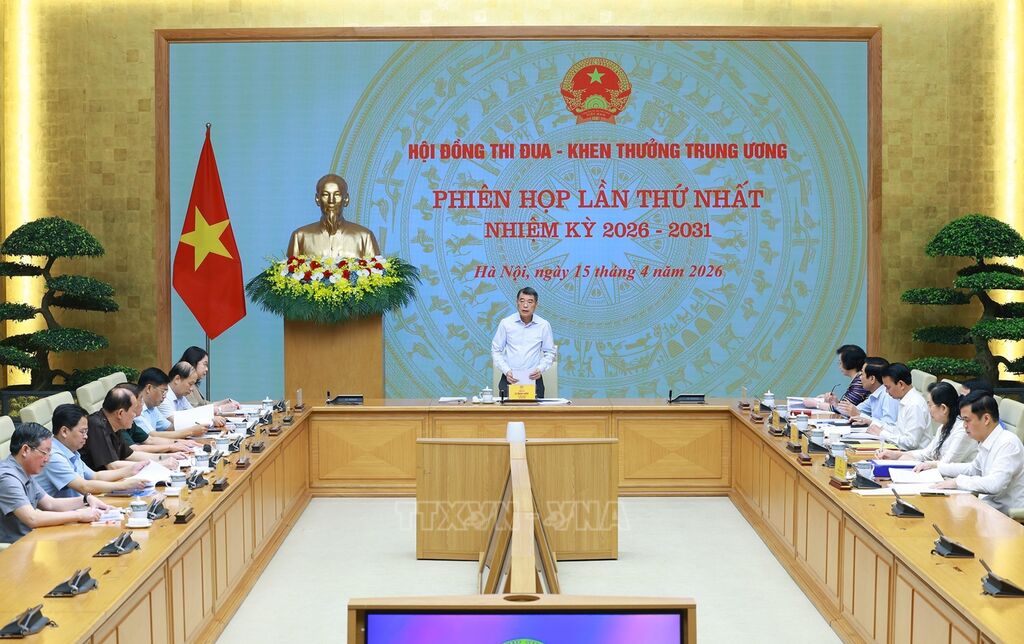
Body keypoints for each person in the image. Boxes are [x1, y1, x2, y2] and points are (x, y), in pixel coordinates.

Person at [916, 393, 1024, 515]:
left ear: (986, 419)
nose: (964, 426)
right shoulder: (987, 440)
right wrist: (937, 467)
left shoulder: (1008, 443)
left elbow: (995, 484)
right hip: (987, 509)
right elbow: (973, 469)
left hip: (1007, 517)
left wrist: (957, 482)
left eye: (967, 420)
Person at [0, 423, 106, 543]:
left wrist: (86, 499)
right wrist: (79, 515)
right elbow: (32, 518)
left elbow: (50, 504)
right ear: (25, 450)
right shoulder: (7, 477)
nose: (47, 460)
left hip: (33, 539)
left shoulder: (23, 471)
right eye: (44, 453)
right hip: (14, 548)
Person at [37, 403, 149, 498]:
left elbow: (95, 476)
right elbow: (84, 487)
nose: (86, 436)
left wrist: (131, 470)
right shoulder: (53, 456)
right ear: (64, 431)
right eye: (82, 432)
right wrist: (124, 485)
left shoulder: (71, 450)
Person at [80, 386, 180, 472]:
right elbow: (113, 466)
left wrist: (167, 457)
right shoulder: (96, 425)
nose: (135, 415)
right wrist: (159, 464)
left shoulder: (115, 424)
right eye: (133, 410)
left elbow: (130, 455)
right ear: (120, 413)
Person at [875, 381, 976, 464]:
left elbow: (946, 464)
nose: (928, 409)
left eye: (930, 405)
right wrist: (896, 455)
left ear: (943, 408)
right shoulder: (944, 426)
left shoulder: (962, 430)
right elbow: (927, 453)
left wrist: (914, 461)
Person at [286, 174, 380, 258]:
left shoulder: (365, 237)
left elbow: (376, 271)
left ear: (346, 199)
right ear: (317, 199)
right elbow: (290, 270)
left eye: (337, 195)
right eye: (325, 195)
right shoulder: (300, 237)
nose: (331, 201)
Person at [491, 286, 556, 398]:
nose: (525, 305)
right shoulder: (506, 323)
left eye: (530, 302)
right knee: (507, 409)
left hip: (533, 379)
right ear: (517, 302)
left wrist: (540, 369)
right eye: (522, 301)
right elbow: (496, 350)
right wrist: (506, 371)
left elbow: (550, 352)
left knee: (535, 410)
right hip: (509, 379)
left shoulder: (543, 325)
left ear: (536, 304)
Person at [864, 363, 931, 450]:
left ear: (901, 384)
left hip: (912, 455)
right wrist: (873, 424)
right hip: (902, 451)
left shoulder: (915, 404)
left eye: (888, 387)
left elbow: (911, 443)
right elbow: (897, 431)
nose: (886, 392)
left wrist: (882, 433)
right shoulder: (905, 399)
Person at [138, 368, 209, 439]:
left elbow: (169, 428)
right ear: (149, 388)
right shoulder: (137, 408)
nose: (165, 396)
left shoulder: (153, 408)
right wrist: (191, 431)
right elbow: (151, 436)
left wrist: (198, 425)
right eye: (163, 391)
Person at [158, 362, 225, 428]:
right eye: (190, 384)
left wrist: (211, 417)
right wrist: (211, 420)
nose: (192, 389)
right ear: (177, 379)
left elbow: (194, 413)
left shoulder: (181, 396)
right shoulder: (163, 397)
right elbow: (178, 422)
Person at [803, 344, 868, 410]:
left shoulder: (860, 382)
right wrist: (834, 401)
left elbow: (843, 410)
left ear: (849, 363)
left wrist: (816, 404)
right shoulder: (858, 379)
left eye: (840, 362)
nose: (839, 365)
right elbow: (845, 407)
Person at [839, 356, 900, 426]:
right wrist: (836, 404)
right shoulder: (874, 395)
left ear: (872, 379)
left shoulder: (889, 395)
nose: (860, 378)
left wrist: (859, 414)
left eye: (862, 374)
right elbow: (854, 411)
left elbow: (889, 425)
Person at [179, 345, 239, 413]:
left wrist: (225, 402)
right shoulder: (184, 384)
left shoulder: (193, 384)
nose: (207, 369)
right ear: (193, 362)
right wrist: (220, 409)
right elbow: (193, 410)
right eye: (204, 364)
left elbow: (203, 404)